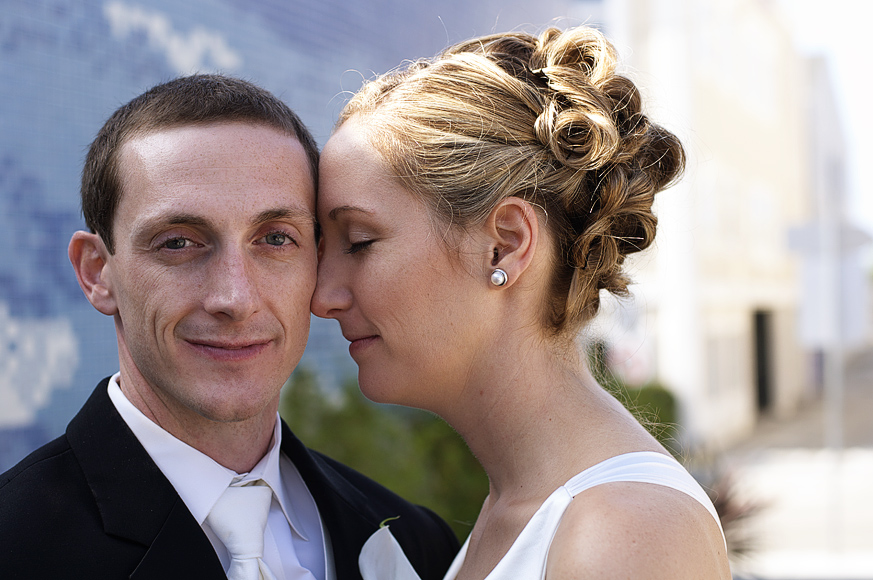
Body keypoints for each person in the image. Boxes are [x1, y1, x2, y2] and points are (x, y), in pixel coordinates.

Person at [312, 26, 732, 580]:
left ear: (506, 242)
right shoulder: (523, 508)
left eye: (359, 242)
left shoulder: (625, 532)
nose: (322, 297)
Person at [0, 74, 459, 580]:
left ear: (319, 260)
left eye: (275, 239)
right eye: (178, 243)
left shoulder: (419, 546)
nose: (234, 299)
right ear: (97, 272)